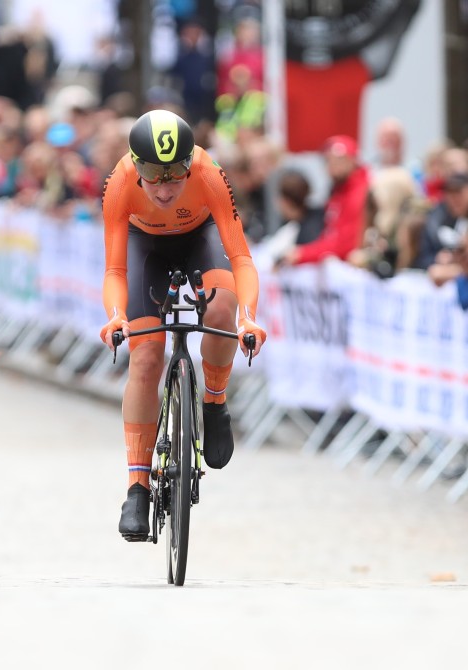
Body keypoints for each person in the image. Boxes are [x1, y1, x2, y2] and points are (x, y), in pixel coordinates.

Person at [99, 110, 267, 540]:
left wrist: (248, 317)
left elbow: (242, 258)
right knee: (146, 356)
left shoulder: (209, 173)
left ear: (190, 164)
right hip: (145, 247)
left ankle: (214, 400)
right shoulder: (119, 184)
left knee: (220, 311)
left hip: (201, 238)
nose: (165, 188)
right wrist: (116, 316)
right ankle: (137, 487)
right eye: (152, 176)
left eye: (175, 175)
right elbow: (115, 270)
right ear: (136, 167)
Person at [280, 135, 370, 265]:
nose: (331, 166)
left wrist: (304, 254)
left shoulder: (360, 193)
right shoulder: (337, 190)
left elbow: (345, 244)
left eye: (338, 160)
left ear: (353, 160)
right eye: (328, 160)